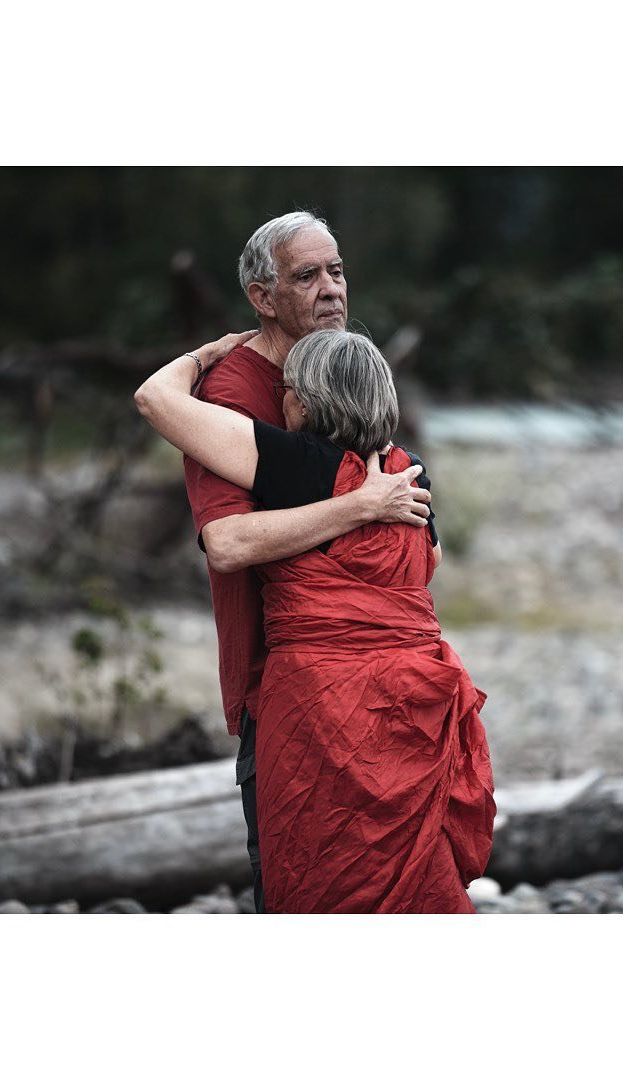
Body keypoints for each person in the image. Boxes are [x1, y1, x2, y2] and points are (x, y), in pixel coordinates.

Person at [136, 329, 496, 912]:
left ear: (307, 400)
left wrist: (209, 354)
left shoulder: (295, 465)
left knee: (319, 864)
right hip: (413, 700)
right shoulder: (409, 472)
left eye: (289, 390)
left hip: (321, 704)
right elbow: (429, 561)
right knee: (414, 876)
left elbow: (156, 397)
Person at [177, 211, 434, 912]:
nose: (331, 290)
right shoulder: (233, 396)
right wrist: (364, 508)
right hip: (286, 689)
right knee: (307, 876)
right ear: (262, 297)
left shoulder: (341, 373)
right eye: (307, 275)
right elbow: (227, 541)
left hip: (381, 687)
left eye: (337, 270)